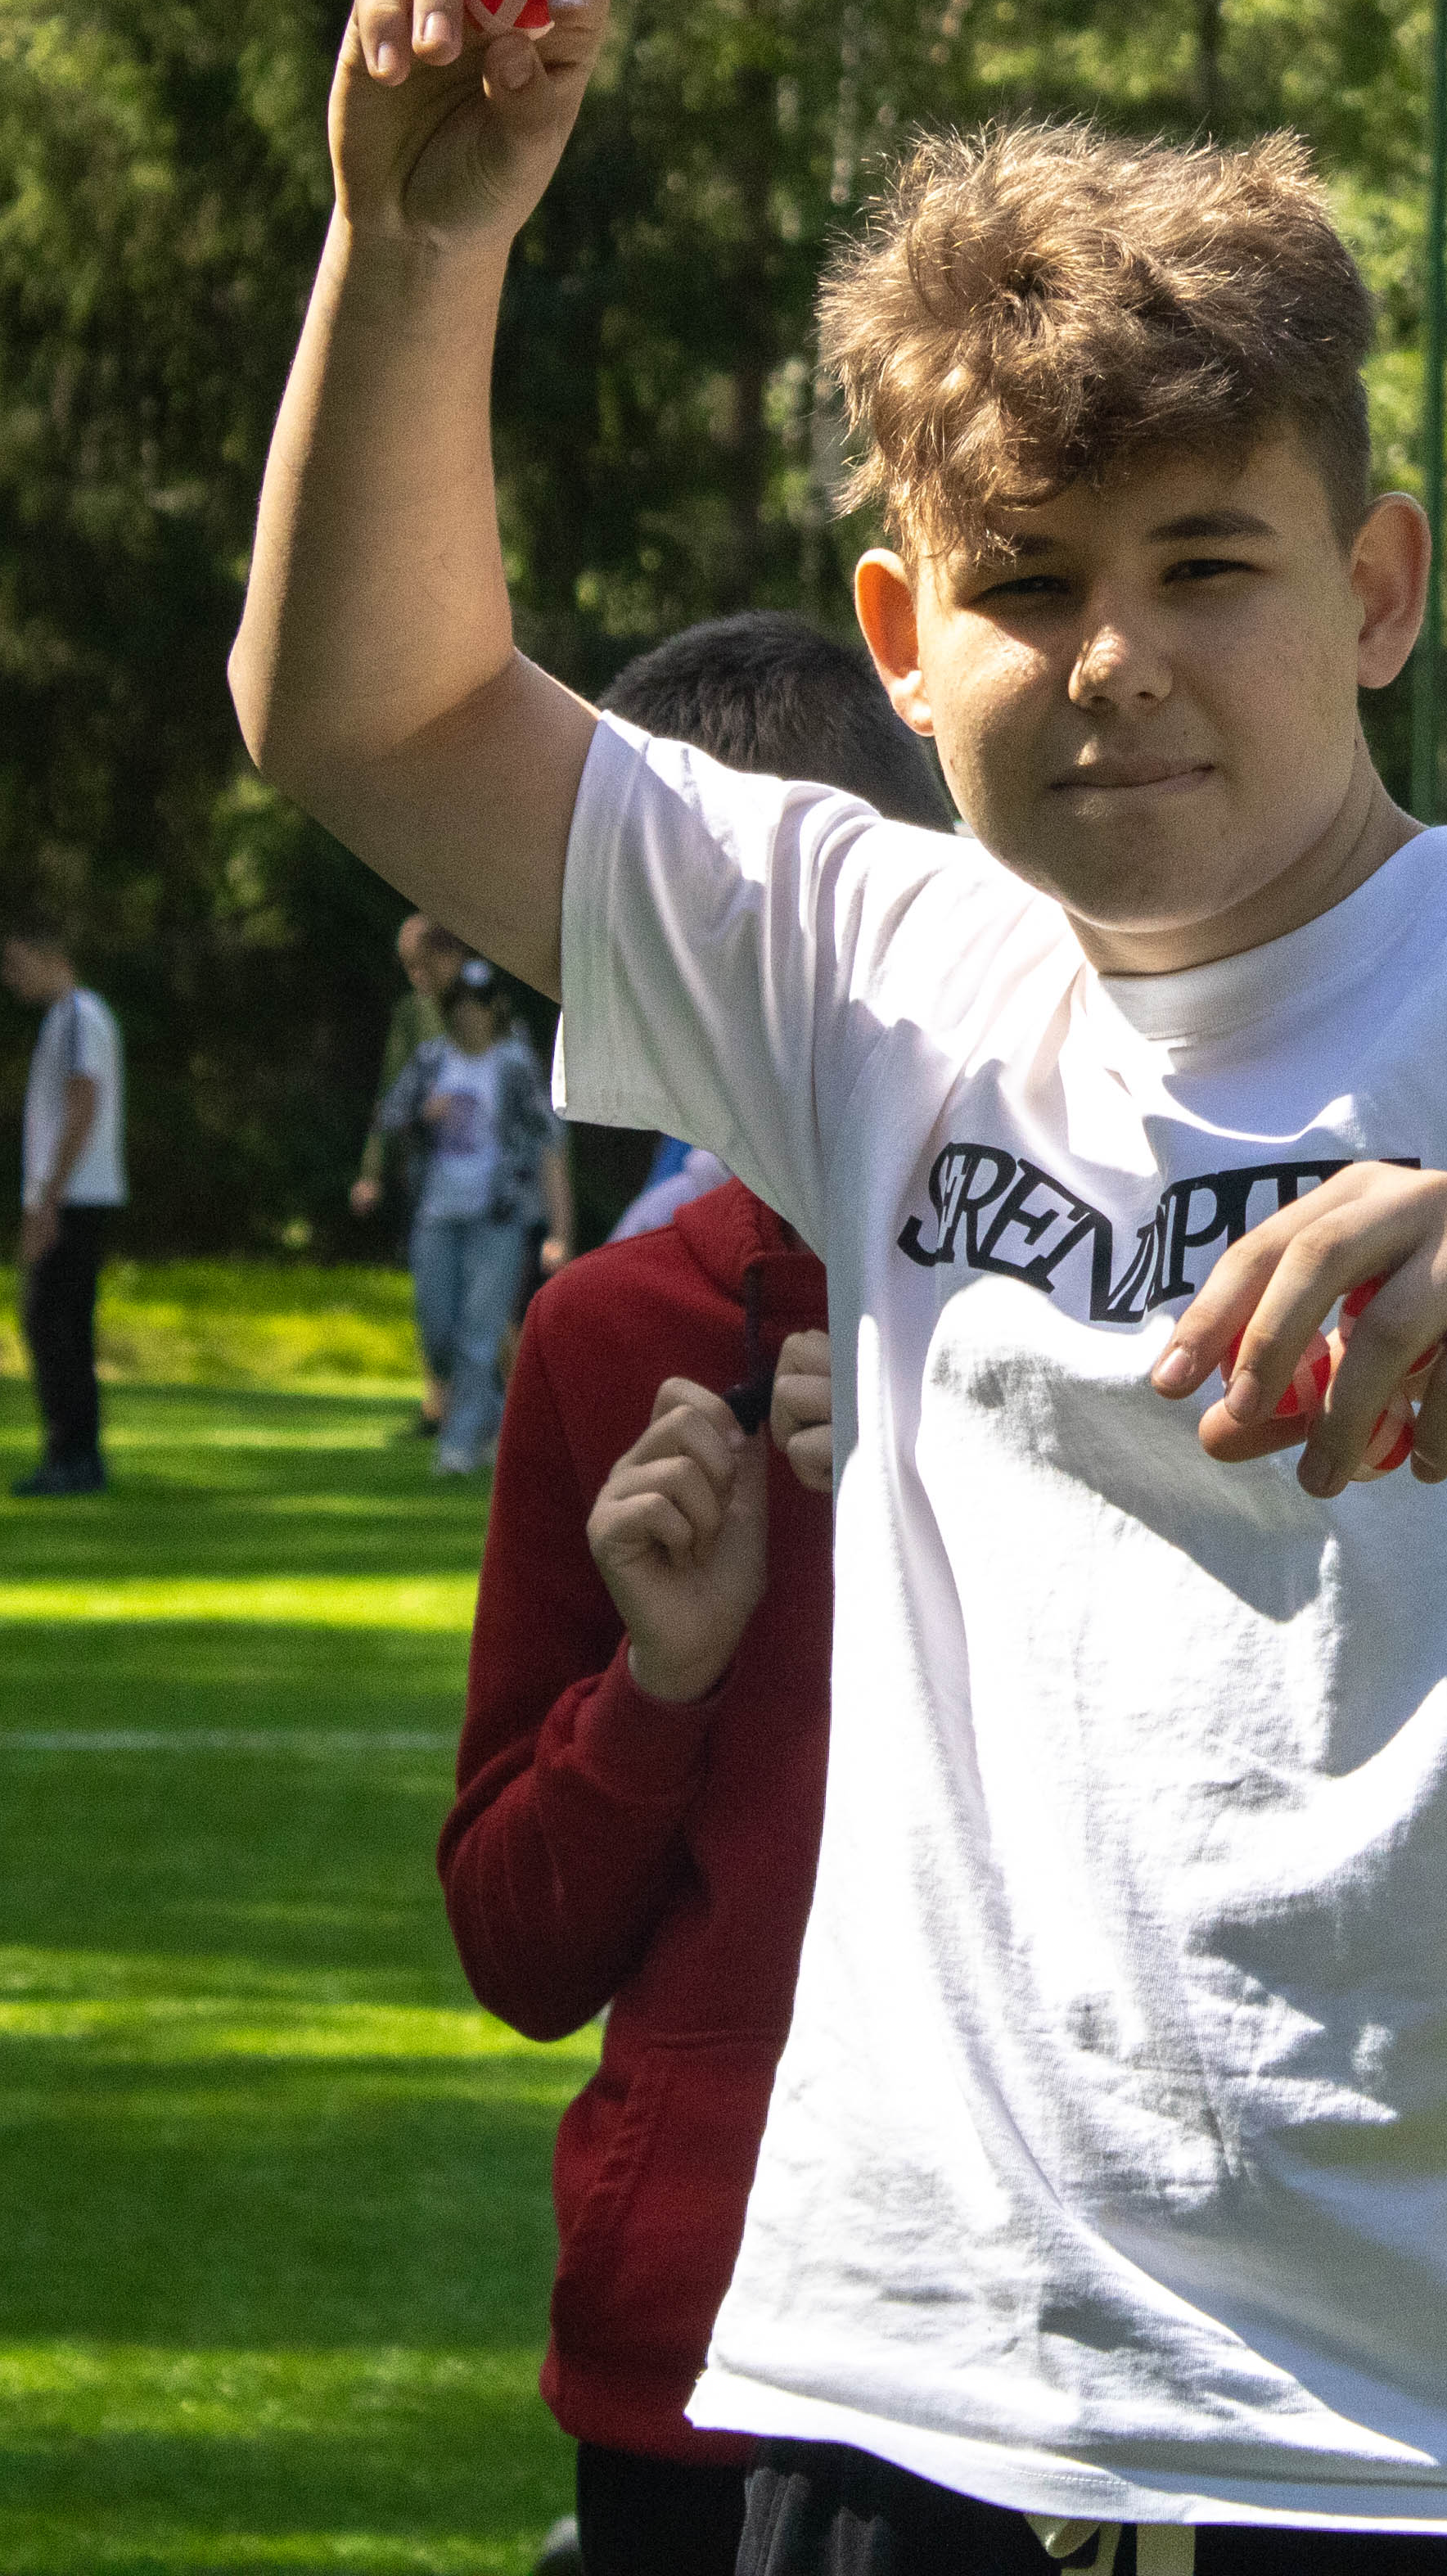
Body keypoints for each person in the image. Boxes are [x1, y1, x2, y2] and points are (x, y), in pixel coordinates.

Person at [237, 0, 1447, 2569]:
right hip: (927, 2409)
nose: (1112, 656)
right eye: (1026, 584)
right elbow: (369, 715)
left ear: (1377, 589)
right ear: (903, 639)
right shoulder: (873, 963)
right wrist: (415, 250)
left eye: (1204, 567)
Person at [441, 607, 956, 2576]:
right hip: (700, 2339)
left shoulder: (1117, 1290)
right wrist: (658, 1688)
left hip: (1060, 2343)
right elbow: (516, 1945)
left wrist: (982, 1450)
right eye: (663, 933)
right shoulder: (609, 1332)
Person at [375, 960, 553, 1479]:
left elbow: (548, 1135)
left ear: (494, 1009)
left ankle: (457, 1446)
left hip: (498, 1216)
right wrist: (422, 1114)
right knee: (437, 1332)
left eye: (479, 1005)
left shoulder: (514, 1064)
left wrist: (556, 1224)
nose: (469, 1015)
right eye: (460, 1005)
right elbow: (389, 1115)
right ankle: (492, 1416)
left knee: (480, 1332)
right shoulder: (432, 1060)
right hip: (435, 1213)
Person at [0, 924, 128, 1499]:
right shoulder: (68, 1017)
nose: (11, 977)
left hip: (74, 1195)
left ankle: (71, 1455)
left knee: (53, 1324)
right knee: (60, 1324)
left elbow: (83, 1099)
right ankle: (76, 1454)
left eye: (18, 962)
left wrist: (48, 1195)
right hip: (71, 1193)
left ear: (50, 956)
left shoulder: (77, 1015)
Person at [353, 910, 473, 1441]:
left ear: (454, 957)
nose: (416, 977)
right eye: (408, 967)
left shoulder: (484, 1006)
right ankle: (437, 1404)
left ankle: (506, 1404)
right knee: (432, 1288)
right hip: (428, 1170)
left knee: (486, 1292)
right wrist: (371, 1171)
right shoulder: (411, 1014)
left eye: (424, 964)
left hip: (486, 1170)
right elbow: (390, 1092)